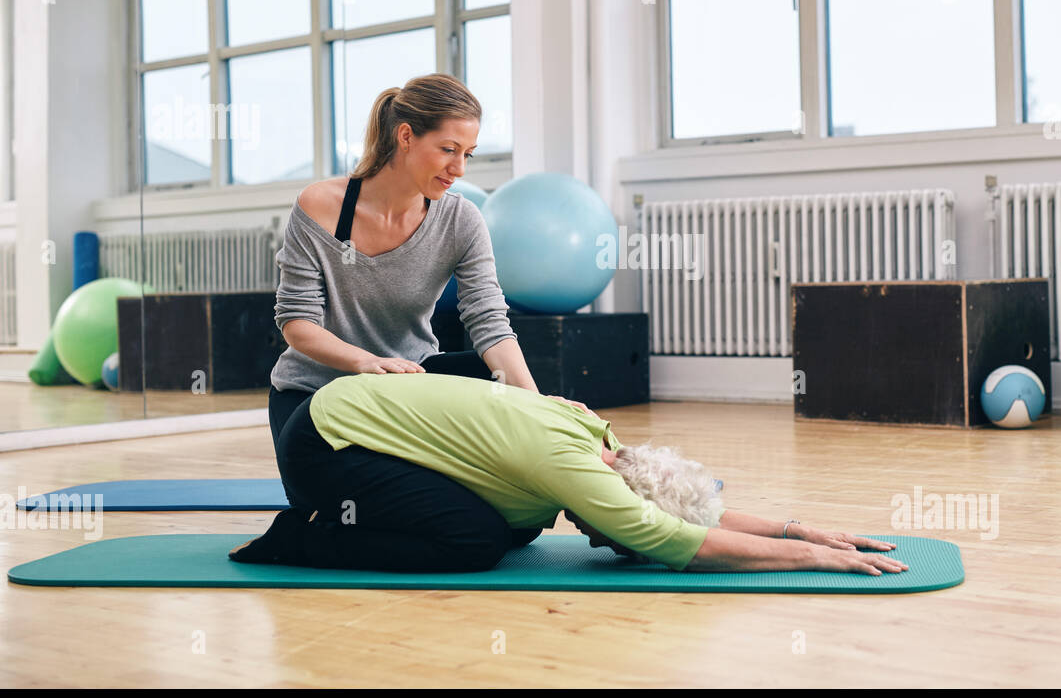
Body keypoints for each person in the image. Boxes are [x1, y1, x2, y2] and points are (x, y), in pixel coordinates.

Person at [230, 372, 909, 577]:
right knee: (472, 544)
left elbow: (693, 517)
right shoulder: (578, 471)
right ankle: (307, 536)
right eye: (616, 536)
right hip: (326, 447)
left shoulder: (598, 432)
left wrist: (798, 524)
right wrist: (807, 556)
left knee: (513, 529)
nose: (607, 542)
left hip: (353, 415)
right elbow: (687, 541)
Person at [267, 74, 543, 508]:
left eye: (468, 154)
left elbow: (488, 319)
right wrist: (368, 362)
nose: (460, 169)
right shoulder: (319, 206)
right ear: (406, 136)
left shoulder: (461, 220)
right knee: (362, 509)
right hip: (314, 395)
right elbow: (297, 323)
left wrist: (537, 406)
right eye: (448, 150)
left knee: (497, 378)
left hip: (406, 391)